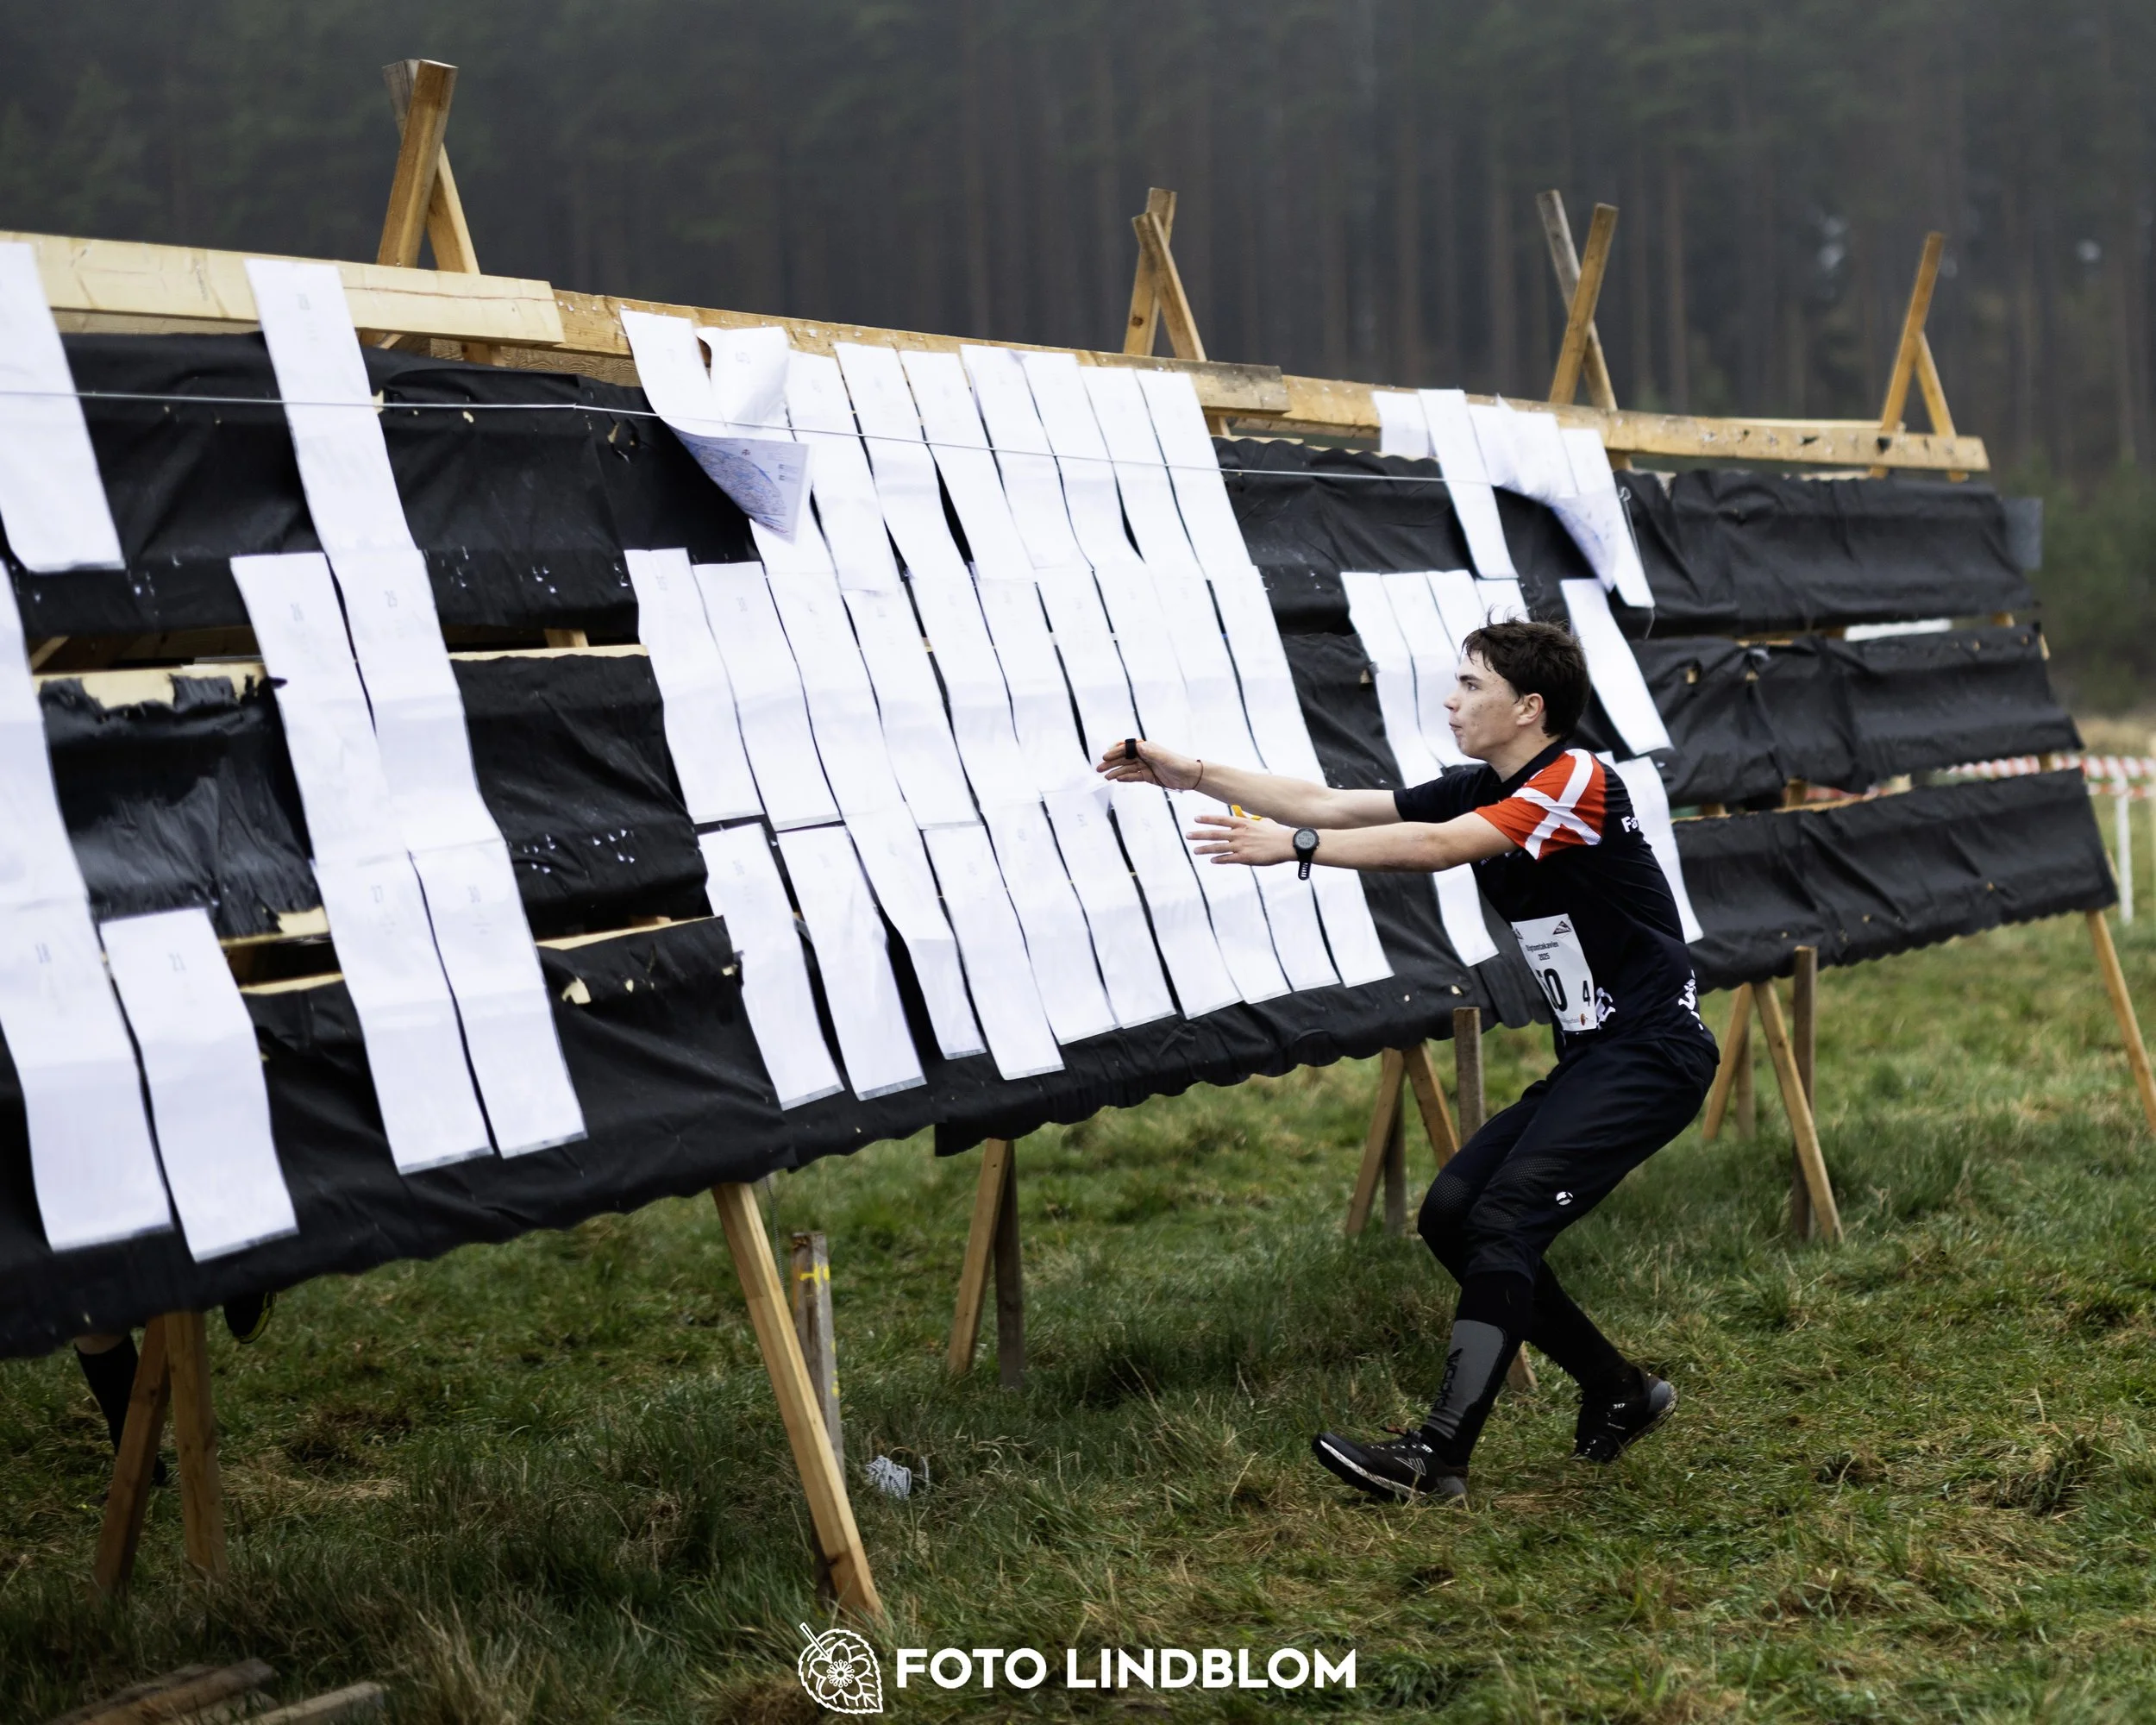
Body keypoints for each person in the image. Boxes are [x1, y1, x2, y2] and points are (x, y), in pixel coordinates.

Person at [1097, 618, 1716, 1503]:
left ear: (1528, 707)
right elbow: (1326, 803)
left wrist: (1297, 851)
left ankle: (1438, 1456)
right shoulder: (1481, 784)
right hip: (1594, 1054)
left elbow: (1434, 848)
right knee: (1454, 1216)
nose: (1450, 700)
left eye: (1470, 684)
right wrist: (1190, 772)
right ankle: (1620, 1390)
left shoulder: (1573, 778)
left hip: (1653, 1051)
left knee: (1504, 1219)